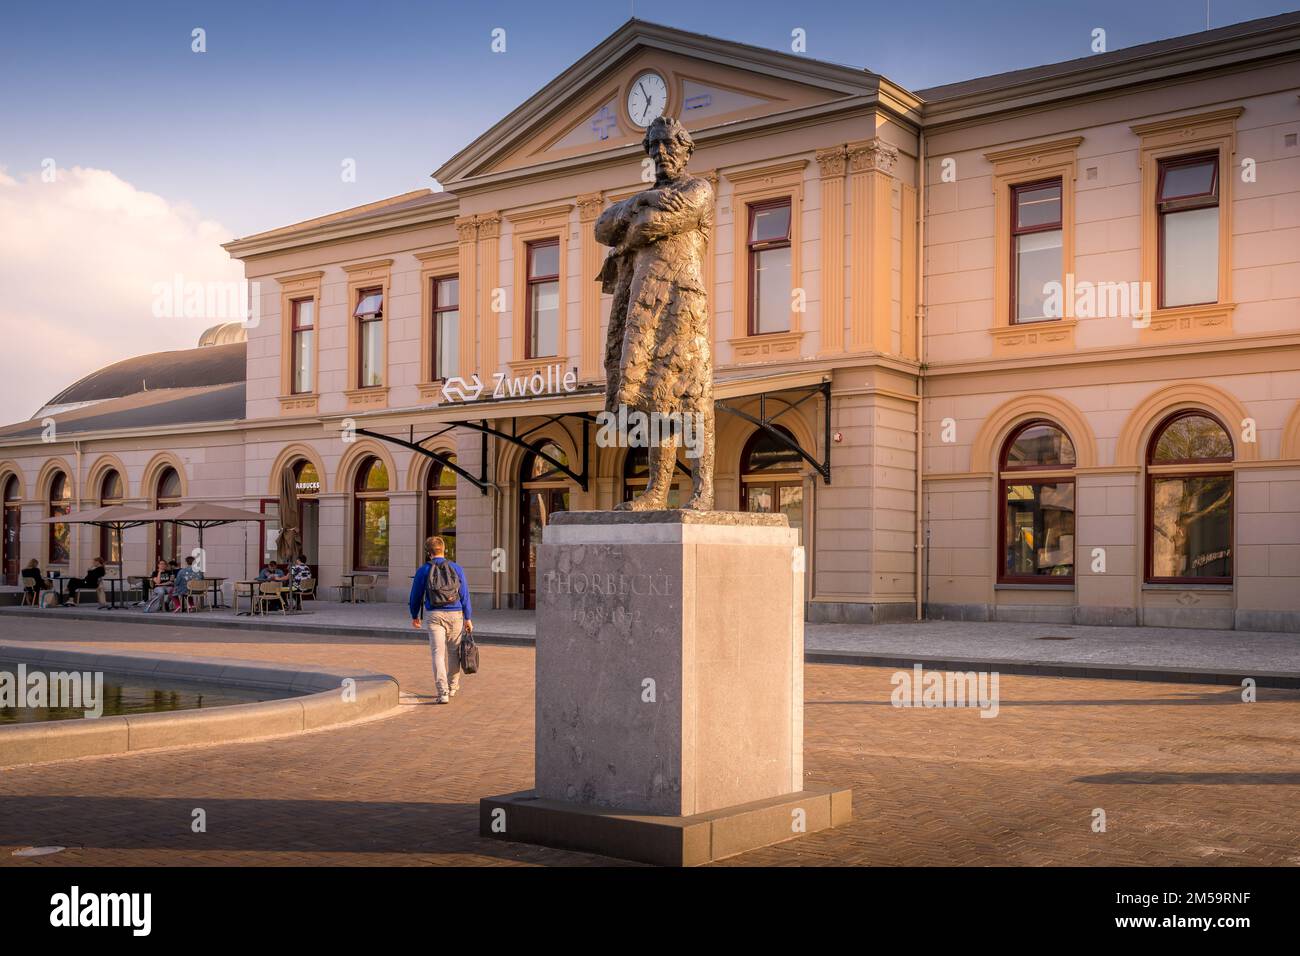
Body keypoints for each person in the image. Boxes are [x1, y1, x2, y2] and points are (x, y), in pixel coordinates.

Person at [409, 535, 473, 704]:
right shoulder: (456, 568)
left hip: (434, 615)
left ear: (428, 553)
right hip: (456, 614)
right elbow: (464, 593)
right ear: (443, 549)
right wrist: (468, 617)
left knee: (438, 653)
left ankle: (442, 691)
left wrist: (415, 615)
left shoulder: (423, 570)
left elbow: (415, 595)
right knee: (453, 652)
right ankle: (453, 686)